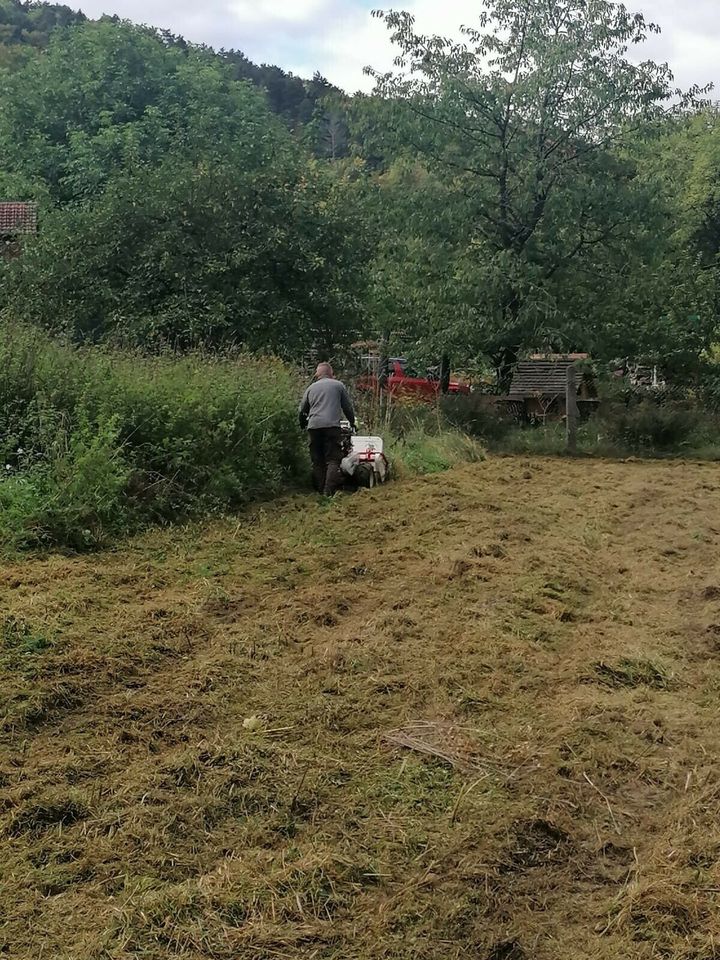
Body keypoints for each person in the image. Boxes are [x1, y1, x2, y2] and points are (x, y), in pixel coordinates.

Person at [299, 362, 356, 496]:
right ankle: (328, 492)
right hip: (331, 426)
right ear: (331, 373)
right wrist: (352, 422)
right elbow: (347, 407)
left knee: (317, 460)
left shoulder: (311, 388)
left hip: (313, 427)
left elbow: (302, 410)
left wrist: (303, 424)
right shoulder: (338, 385)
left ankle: (320, 490)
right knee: (333, 459)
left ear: (317, 374)